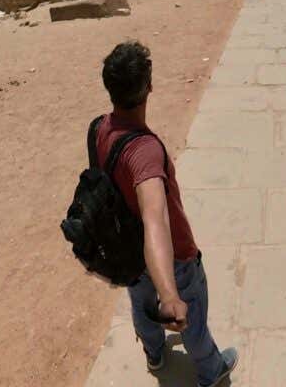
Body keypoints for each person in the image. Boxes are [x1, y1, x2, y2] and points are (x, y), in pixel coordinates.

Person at [97, 41, 237, 386]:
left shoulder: (99, 128)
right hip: (173, 258)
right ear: (149, 87)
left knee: (142, 303)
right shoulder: (144, 151)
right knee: (190, 319)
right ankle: (211, 370)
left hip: (130, 250)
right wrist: (170, 294)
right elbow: (155, 219)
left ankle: (155, 353)